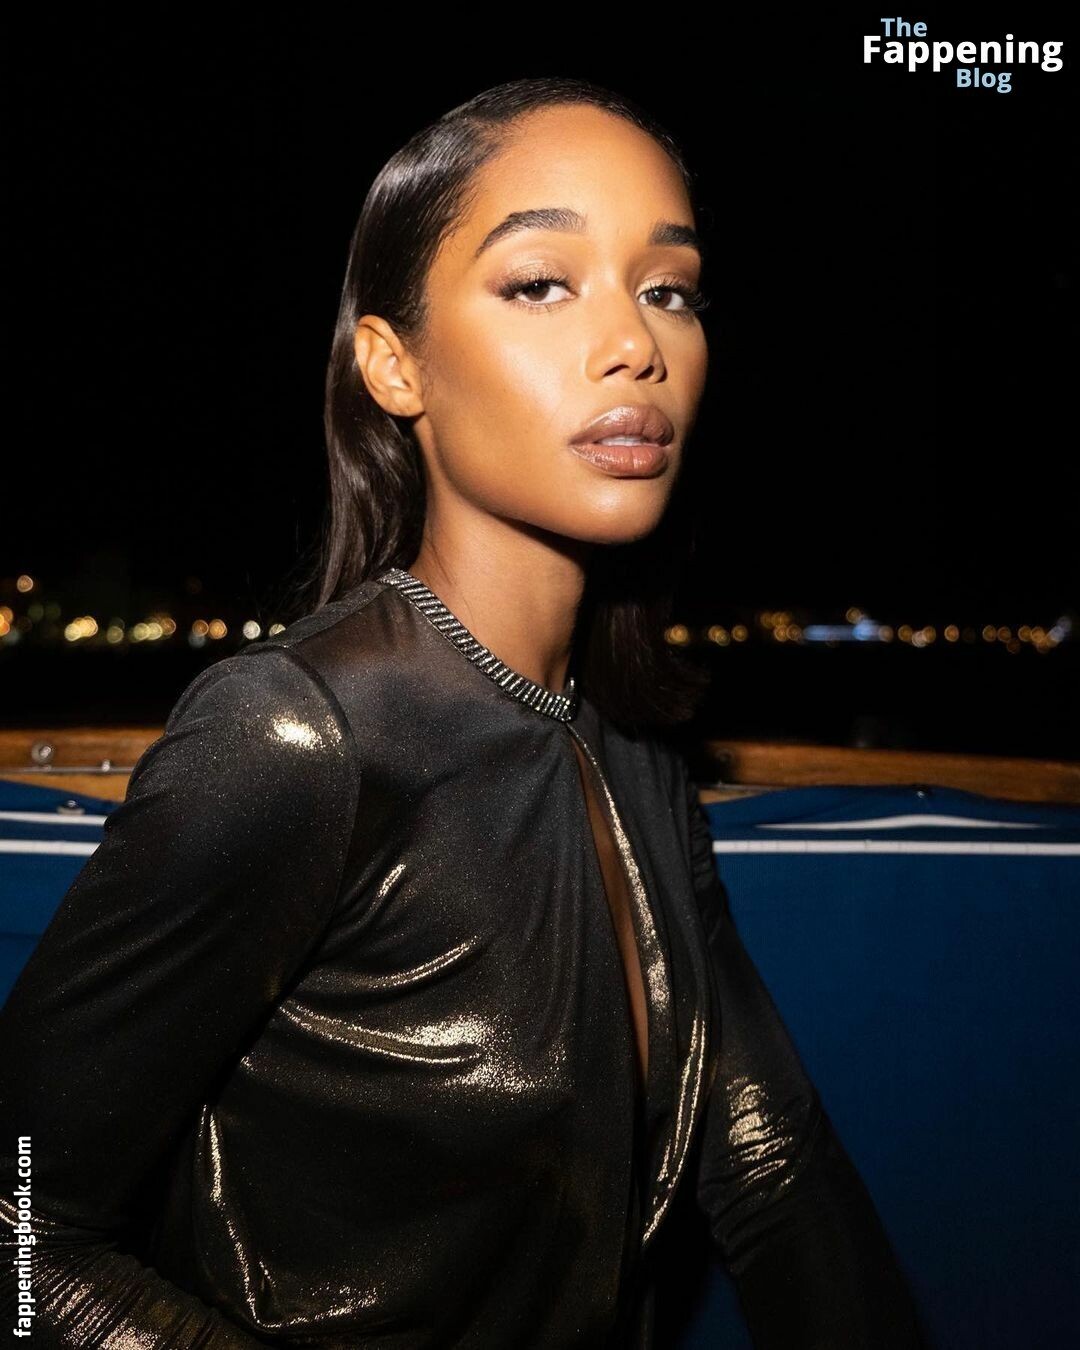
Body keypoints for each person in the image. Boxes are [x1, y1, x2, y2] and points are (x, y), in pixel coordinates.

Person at [0, 77, 927, 1348]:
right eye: (542, 283)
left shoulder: (634, 757)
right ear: (395, 365)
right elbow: (18, 1226)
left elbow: (769, 1168)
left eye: (670, 290)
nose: (636, 345)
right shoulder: (293, 735)